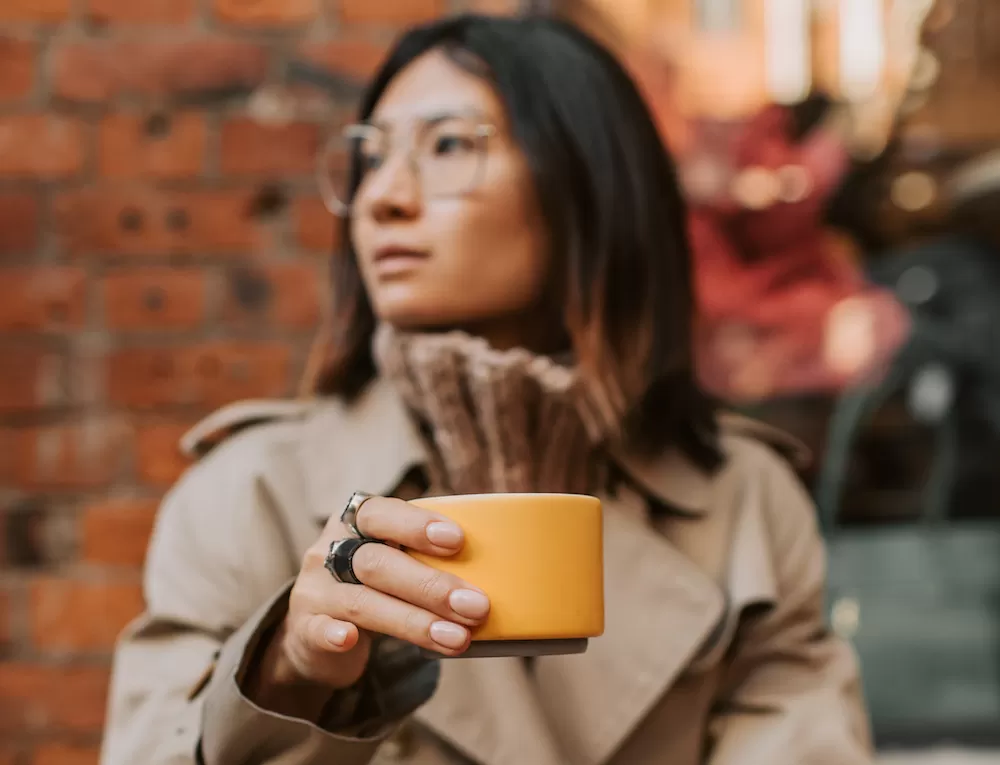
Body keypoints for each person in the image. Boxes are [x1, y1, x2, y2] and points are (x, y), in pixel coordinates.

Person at [99, 14, 873, 765]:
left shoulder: (743, 501)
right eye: (371, 156)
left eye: (447, 146)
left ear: (589, 184)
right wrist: (288, 676)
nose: (382, 198)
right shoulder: (252, 489)